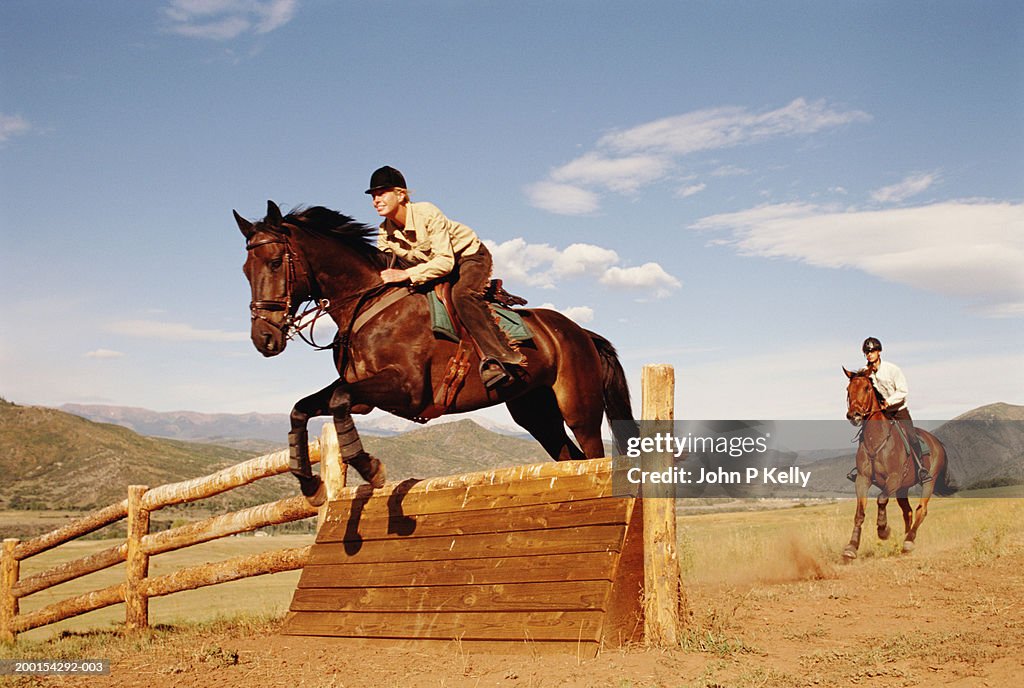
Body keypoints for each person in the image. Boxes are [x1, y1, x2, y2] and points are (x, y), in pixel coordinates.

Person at [365, 165, 525, 389]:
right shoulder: (385, 232)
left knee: (462, 295)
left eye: (381, 193)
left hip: (468, 258)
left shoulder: (427, 212)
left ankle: (499, 357)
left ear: (401, 194)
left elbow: (445, 262)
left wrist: (406, 274)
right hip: (433, 267)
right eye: (373, 196)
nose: (376, 200)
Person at [848, 337, 930, 483]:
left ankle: (921, 468)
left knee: (911, 436)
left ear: (879, 351)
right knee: (865, 437)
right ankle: (861, 469)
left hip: (898, 411)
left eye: (872, 351)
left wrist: (888, 402)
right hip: (879, 413)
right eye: (867, 352)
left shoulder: (892, 369)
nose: (869, 354)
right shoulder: (865, 373)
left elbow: (903, 391)